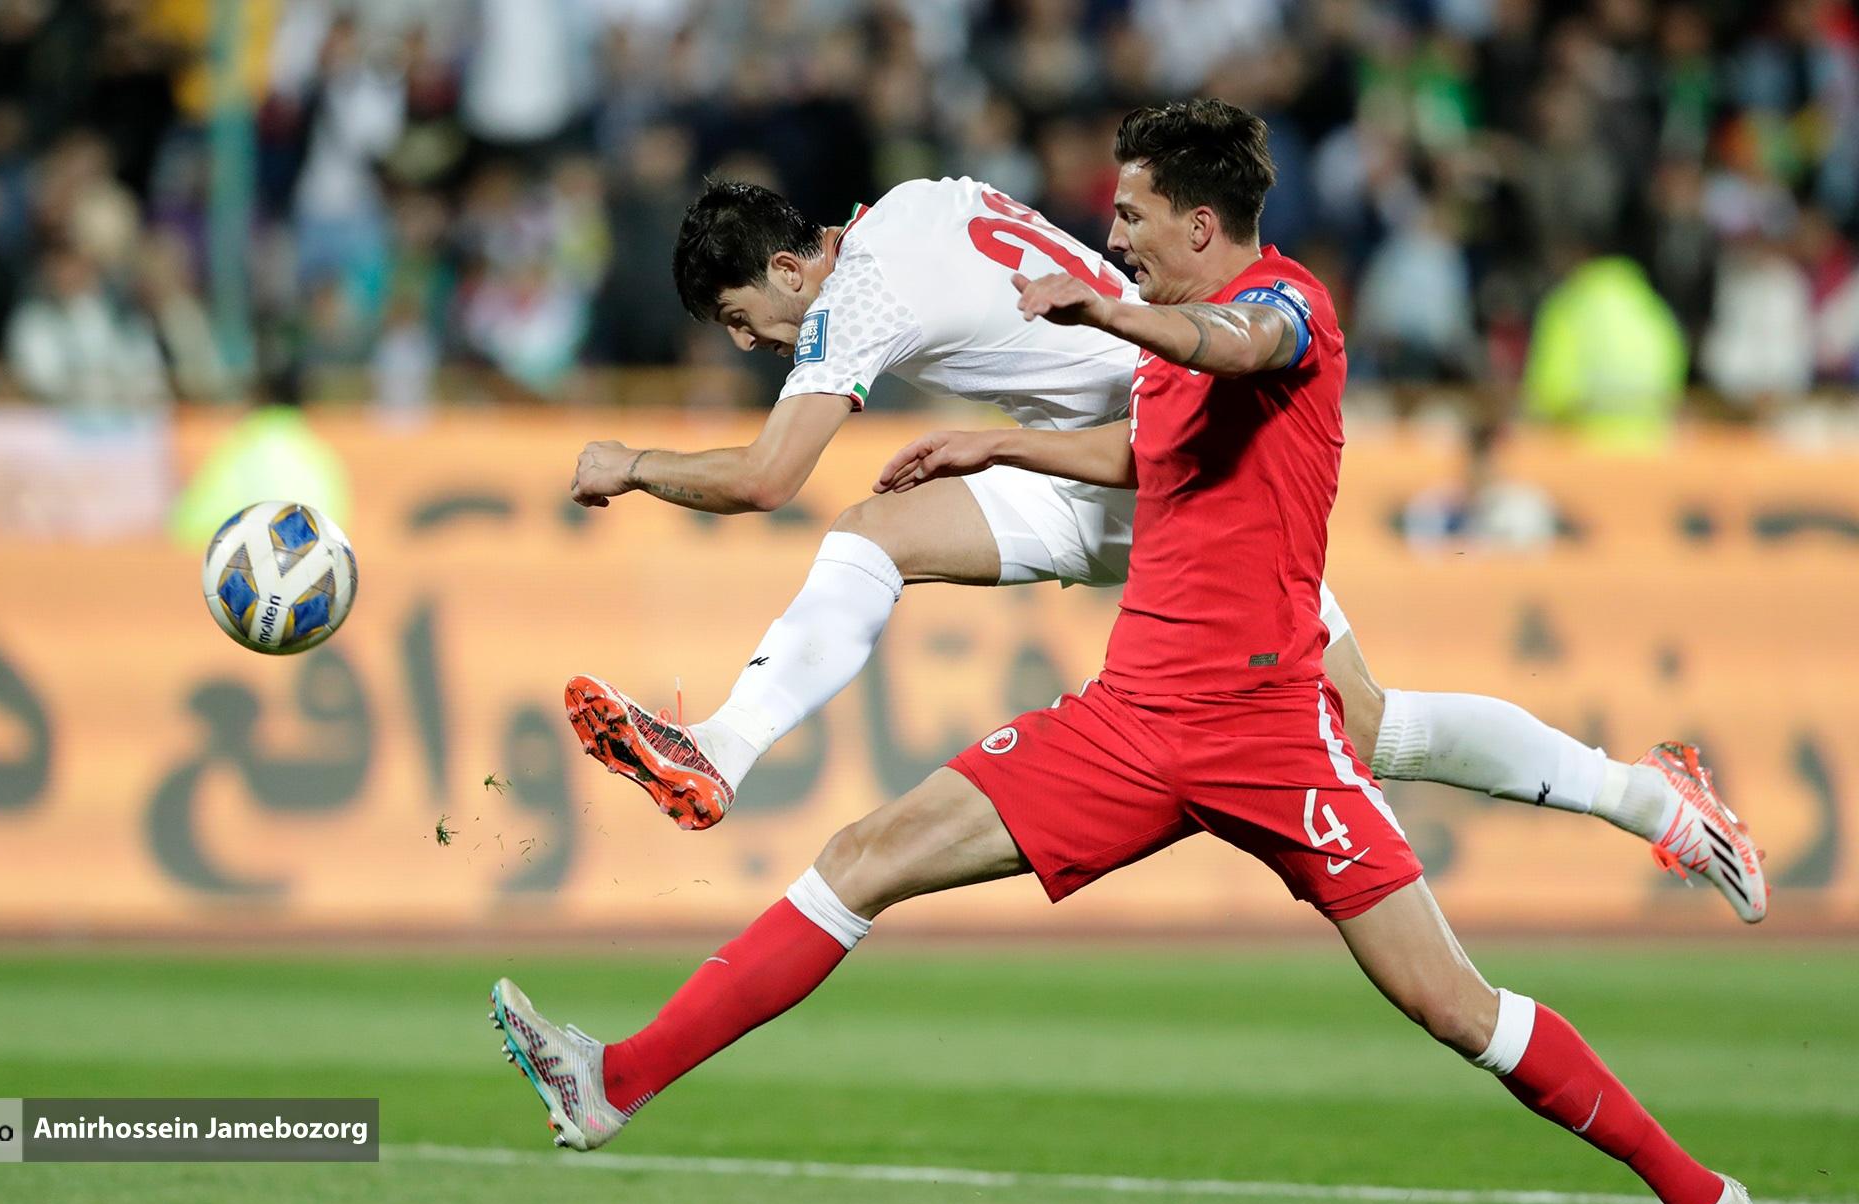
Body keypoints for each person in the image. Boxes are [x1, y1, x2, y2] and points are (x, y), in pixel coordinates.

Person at [498, 102, 1795, 1204]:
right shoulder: (1147, 345)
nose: (1109, 236)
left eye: (1129, 216)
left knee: (1456, 1003)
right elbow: (1139, 452)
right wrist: (1002, 439)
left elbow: (1241, 344)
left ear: (1199, 224)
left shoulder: (1282, 309)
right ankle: (615, 1080)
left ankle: (1709, 1198)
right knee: (862, 855)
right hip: (1130, 723)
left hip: (1268, 735)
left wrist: (1105, 317)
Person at [559, 172, 1763, 920]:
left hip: (1182, 467)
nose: (750, 344)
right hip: (1119, 463)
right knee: (872, 535)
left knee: (1366, 726)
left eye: (743, 319)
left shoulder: (854, 295)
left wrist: (632, 463)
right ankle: (722, 748)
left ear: (788, 268)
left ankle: (1640, 793)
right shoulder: (922, 199)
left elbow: (765, 477)